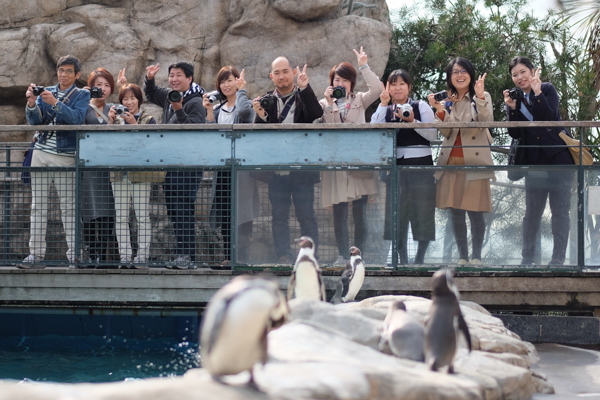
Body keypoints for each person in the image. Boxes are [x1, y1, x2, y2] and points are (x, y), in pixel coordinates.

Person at [20, 55, 90, 268]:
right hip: (40, 153)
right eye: (61, 70)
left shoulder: (81, 94)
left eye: (69, 71)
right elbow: (36, 122)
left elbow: (77, 119)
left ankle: (74, 256)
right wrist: (32, 103)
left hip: (65, 155)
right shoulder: (46, 90)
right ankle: (35, 255)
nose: (64, 74)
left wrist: (56, 103)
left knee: (68, 207)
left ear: (77, 74)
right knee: (37, 207)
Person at [504, 56, 574, 265]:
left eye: (523, 72)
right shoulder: (515, 98)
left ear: (532, 71)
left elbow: (551, 117)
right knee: (532, 213)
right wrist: (512, 108)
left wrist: (537, 93)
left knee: (560, 211)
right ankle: (528, 258)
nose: (519, 77)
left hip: (559, 160)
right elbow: (514, 134)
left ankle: (558, 259)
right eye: (515, 75)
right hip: (534, 162)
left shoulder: (547, 89)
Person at [253, 57, 323, 263]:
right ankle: (283, 254)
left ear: (293, 72)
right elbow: (259, 136)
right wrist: (260, 115)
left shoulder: (303, 96)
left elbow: (316, 113)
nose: (282, 76)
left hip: (302, 167)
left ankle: (312, 255)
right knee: (279, 216)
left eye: (285, 71)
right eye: (277, 73)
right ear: (271, 76)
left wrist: (305, 88)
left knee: (307, 215)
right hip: (277, 170)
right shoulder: (267, 99)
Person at [428, 57, 495, 265]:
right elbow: (446, 131)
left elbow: (486, 122)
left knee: (476, 212)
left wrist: (481, 96)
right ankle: (463, 257)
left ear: (471, 74)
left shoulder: (482, 96)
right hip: (451, 162)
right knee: (456, 212)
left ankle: (477, 257)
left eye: (463, 71)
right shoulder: (447, 100)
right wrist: (439, 110)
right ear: (450, 77)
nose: (459, 75)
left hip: (475, 162)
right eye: (455, 72)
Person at [317, 47, 381, 264]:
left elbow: (378, 88)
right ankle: (343, 255)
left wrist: (363, 65)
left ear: (351, 82)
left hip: (358, 163)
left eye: (345, 79)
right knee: (340, 213)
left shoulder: (360, 99)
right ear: (331, 82)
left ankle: (358, 256)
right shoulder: (323, 103)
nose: (340, 83)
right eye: (337, 79)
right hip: (335, 164)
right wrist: (329, 105)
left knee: (360, 213)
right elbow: (325, 129)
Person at [371, 69, 437, 264]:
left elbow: (432, 135)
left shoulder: (420, 105)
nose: (397, 87)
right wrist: (382, 105)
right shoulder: (385, 109)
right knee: (397, 214)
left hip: (421, 167)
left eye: (402, 84)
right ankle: (402, 259)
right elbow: (375, 131)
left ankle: (420, 258)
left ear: (409, 86)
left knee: (423, 211)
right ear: (388, 88)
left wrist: (412, 122)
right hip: (395, 168)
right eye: (393, 84)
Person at [144, 61, 206, 269]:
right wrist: (150, 78)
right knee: (174, 210)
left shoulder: (195, 101)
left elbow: (194, 130)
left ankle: (187, 257)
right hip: (171, 163)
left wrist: (179, 110)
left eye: (179, 75)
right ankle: (183, 256)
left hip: (188, 164)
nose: (174, 79)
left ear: (190, 78)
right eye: (171, 75)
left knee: (183, 210)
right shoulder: (170, 96)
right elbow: (151, 94)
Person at [204, 66, 258, 265]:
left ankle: (242, 258)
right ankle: (229, 256)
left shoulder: (247, 104)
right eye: (222, 82)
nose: (226, 85)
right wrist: (209, 112)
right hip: (223, 170)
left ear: (237, 81)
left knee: (243, 213)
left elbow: (245, 113)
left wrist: (242, 91)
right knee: (226, 212)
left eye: (230, 80)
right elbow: (211, 138)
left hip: (242, 171)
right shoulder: (218, 109)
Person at [108, 79, 158, 267]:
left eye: (132, 98)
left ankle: (142, 257)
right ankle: (125, 257)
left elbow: (150, 145)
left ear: (139, 100)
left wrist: (134, 124)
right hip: (118, 173)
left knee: (142, 216)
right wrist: (111, 122)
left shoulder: (148, 119)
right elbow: (108, 144)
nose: (129, 102)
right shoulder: (116, 117)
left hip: (140, 174)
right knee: (121, 217)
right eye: (125, 99)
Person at [81, 68, 117, 267]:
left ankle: (102, 255)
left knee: (108, 211)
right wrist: (83, 98)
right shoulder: (83, 107)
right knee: (88, 209)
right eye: (98, 85)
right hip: (88, 164)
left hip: (108, 165)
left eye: (106, 85)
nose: (102, 89)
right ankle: (90, 253)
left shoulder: (113, 108)